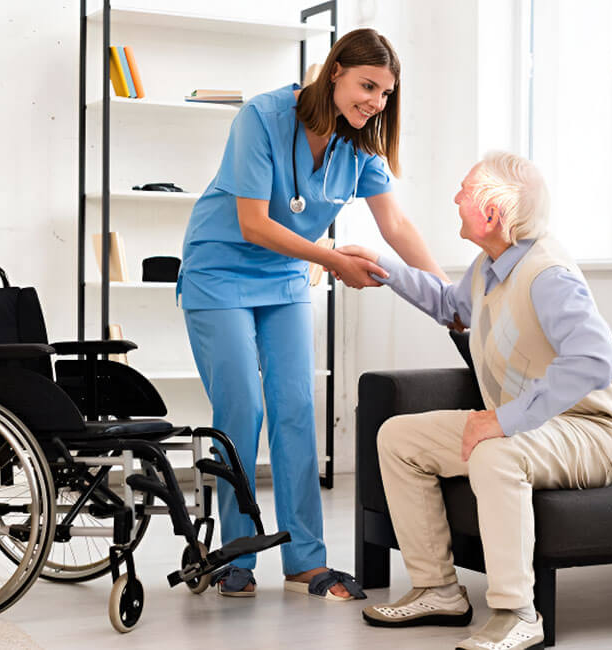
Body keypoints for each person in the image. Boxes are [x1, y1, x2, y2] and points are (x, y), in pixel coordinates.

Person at [178, 28, 446, 600]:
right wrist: (331, 259)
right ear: (336, 70)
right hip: (220, 270)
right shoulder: (261, 116)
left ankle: (305, 560)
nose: (374, 102)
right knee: (242, 408)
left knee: (297, 408)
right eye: (367, 85)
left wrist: (447, 296)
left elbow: (395, 224)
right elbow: (253, 223)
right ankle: (237, 554)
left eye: (384, 94)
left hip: (285, 277)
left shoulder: (359, 143)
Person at [343, 152, 612, 649]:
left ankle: (517, 611)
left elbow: (595, 359)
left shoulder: (548, 274)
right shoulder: (491, 264)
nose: (455, 199)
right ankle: (437, 588)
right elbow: (449, 306)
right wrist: (384, 268)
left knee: (494, 451)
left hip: (590, 431)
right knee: (398, 437)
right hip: (527, 427)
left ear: (492, 213)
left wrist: (504, 420)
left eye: (464, 191)